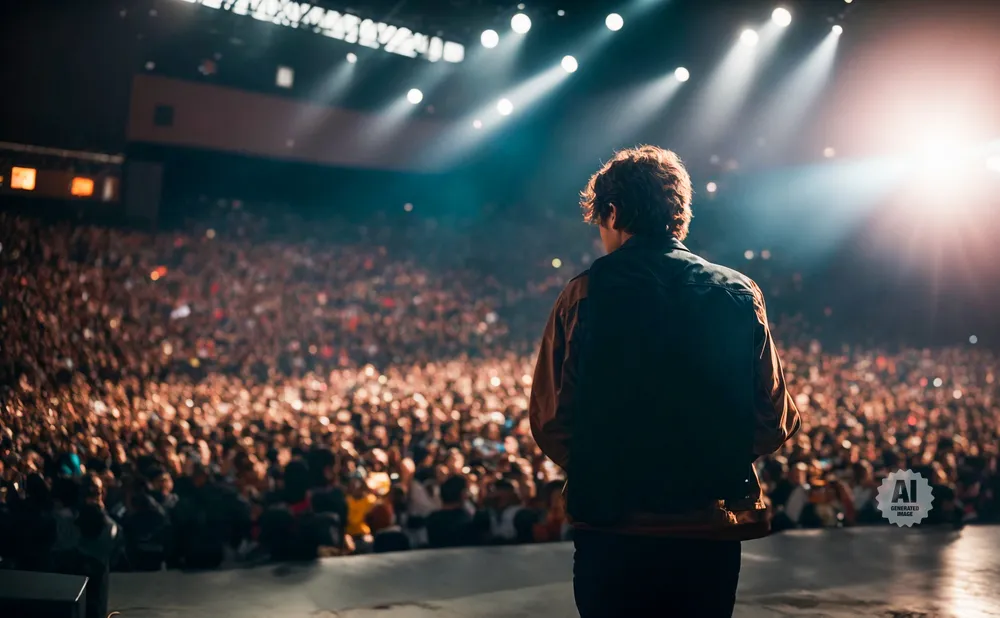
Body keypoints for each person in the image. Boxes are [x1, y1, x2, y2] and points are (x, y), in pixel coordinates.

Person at [529, 146, 801, 617]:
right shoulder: (738, 292)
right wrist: (706, 458)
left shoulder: (585, 294)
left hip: (614, 530)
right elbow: (774, 416)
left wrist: (611, 468)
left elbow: (551, 418)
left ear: (611, 212)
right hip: (709, 527)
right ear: (679, 215)